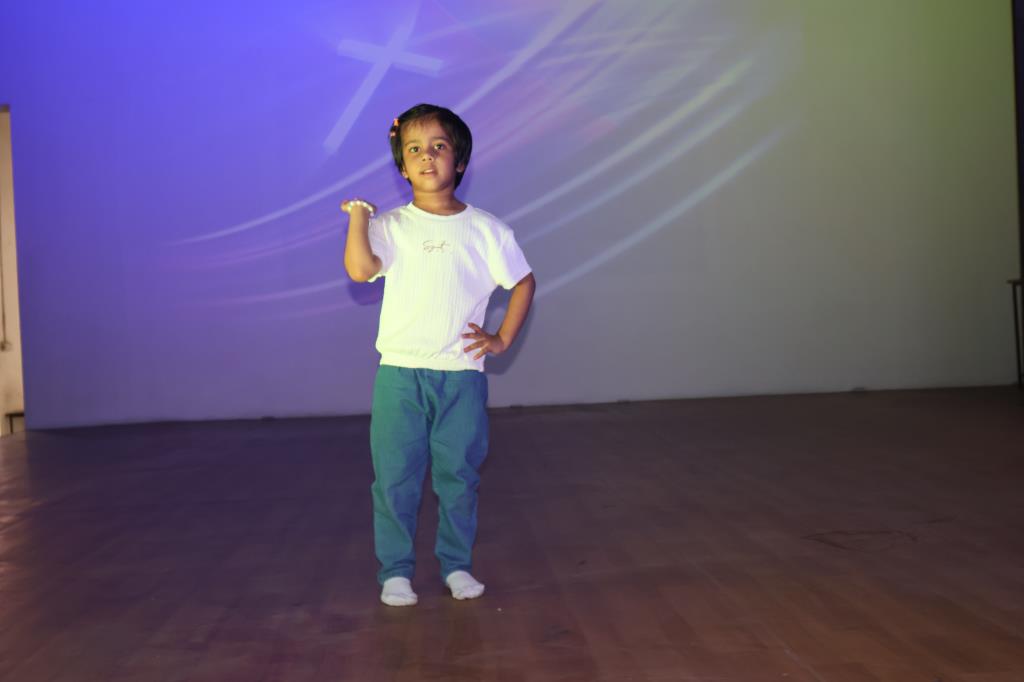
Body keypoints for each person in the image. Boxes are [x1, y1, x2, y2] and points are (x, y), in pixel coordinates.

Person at [341, 103, 536, 607]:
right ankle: (396, 572)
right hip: (400, 376)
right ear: (402, 168)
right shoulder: (391, 226)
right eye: (414, 149)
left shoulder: (487, 230)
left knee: (458, 476)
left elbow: (523, 281)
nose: (426, 156)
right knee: (395, 478)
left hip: (461, 376)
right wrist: (359, 218)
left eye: (439, 146)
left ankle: (456, 565)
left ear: (460, 161)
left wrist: (500, 339)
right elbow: (360, 270)